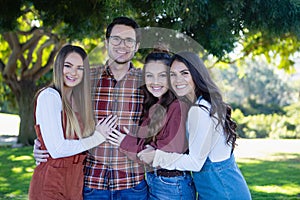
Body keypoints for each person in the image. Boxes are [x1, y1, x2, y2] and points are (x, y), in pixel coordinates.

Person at [33, 17, 148, 200]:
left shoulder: (147, 82)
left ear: (136, 46)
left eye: (129, 40)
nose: (122, 45)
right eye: (116, 39)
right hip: (92, 184)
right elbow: (56, 112)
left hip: (132, 184)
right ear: (106, 42)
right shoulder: (85, 77)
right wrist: (42, 142)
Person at [138, 51, 252, 199]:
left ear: (196, 74)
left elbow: (195, 162)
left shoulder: (200, 110)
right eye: (172, 74)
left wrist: (156, 157)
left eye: (184, 73)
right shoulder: (202, 104)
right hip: (218, 189)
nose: (178, 80)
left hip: (223, 192)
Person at [28, 45, 117, 200]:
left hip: (76, 181)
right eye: (68, 66)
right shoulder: (49, 96)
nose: (73, 72)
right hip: (51, 182)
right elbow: (57, 149)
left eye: (80, 68)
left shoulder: (79, 100)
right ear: (58, 66)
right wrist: (98, 137)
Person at [107, 50, 196, 200]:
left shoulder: (178, 106)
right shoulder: (155, 105)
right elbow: (149, 149)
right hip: (157, 181)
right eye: (149, 75)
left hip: (172, 185)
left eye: (162, 75)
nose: (155, 82)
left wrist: (126, 142)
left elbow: (165, 152)